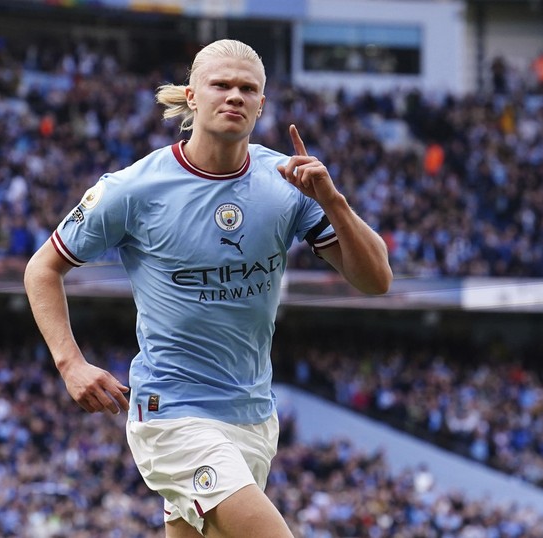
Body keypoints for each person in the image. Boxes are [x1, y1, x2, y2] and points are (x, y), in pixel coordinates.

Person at [24, 38, 392, 538]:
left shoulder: (288, 181)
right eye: (221, 85)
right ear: (192, 96)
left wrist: (334, 201)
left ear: (262, 104)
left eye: (248, 89)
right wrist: (70, 363)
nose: (234, 96)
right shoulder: (133, 188)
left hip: (254, 416)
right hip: (172, 414)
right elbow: (42, 268)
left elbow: (375, 281)